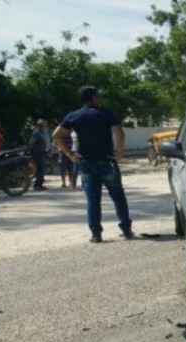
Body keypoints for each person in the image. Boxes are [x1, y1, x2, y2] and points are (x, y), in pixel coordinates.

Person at [53, 85, 133, 243]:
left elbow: (57, 135)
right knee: (117, 196)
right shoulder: (106, 114)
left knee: (93, 199)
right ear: (93, 97)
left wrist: (69, 154)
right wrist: (120, 153)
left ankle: (96, 234)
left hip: (85, 163)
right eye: (99, 96)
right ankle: (126, 229)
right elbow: (120, 133)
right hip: (106, 161)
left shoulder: (74, 115)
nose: (100, 99)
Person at [27, 119, 48, 191]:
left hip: (41, 153)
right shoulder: (36, 132)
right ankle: (37, 185)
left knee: (41, 169)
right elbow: (31, 142)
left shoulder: (40, 132)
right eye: (45, 125)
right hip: (37, 154)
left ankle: (40, 185)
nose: (46, 127)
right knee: (40, 170)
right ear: (41, 126)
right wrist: (31, 152)